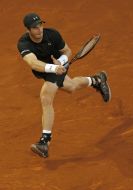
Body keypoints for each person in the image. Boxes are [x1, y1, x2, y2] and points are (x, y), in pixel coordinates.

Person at [17, 13, 111, 158]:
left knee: (46, 97)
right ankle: (97, 80)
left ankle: (44, 142)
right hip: (48, 69)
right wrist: (53, 68)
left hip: (57, 64)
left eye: (40, 25)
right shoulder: (23, 43)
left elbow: (67, 51)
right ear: (28, 30)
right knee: (71, 86)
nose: (40, 29)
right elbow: (33, 63)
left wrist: (60, 62)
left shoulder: (52, 34)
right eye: (35, 27)